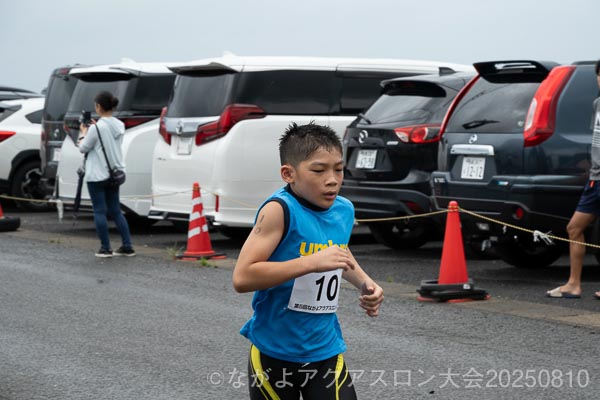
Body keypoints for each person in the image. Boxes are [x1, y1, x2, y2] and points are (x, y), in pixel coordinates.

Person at [232, 122, 384, 399]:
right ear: (288, 173)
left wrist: (365, 283)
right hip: (274, 353)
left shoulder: (344, 210)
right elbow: (243, 277)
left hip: (324, 349)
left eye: (338, 169)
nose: (332, 180)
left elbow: (336, 251)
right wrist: (311, 262)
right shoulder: (279, 210)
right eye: (319, 170)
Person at [547, 59, 600, 299]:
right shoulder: (597, 104)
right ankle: (573, 284)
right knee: (574, 227)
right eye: (599, 75)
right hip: (595, 179)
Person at [78, 91, 135, 258]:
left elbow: (83, 147)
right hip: (115, 173)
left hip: (97, 174)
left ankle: (105, 248)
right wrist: (95, 128)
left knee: (99, 211)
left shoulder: (96, 128)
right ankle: (127, 246)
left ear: (99, 106)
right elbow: (106, 138)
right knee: (116, 211)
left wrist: (83, 133)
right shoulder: (119, 125)